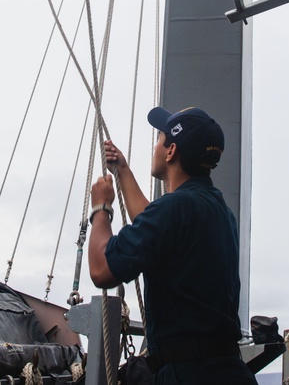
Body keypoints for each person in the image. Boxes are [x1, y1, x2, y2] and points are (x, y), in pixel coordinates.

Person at [88, 106, 258, 385]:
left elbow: (102, 270)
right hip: (228, 371)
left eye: (159, 138)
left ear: (171, 151)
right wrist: (122, 170)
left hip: (188, 374)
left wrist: (101, 208)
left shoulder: (175, 209)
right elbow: (155, 227)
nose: (155, 146)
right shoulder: (217, 209)